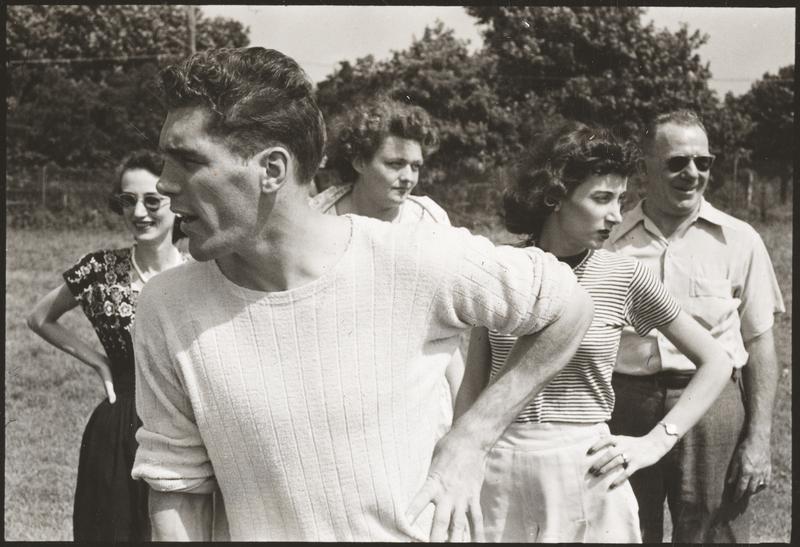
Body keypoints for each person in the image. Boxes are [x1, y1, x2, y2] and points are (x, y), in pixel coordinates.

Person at [130, 47, 594, 542]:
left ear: (272, 169)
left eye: (188, 160)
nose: (165, 183)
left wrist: (472, 438)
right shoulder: (166, 306)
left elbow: (568, 306)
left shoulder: (411, 256)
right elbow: (177, 490)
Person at [454, 121, 733, 542]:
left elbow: (717, 361)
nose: (617, 215)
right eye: (602, 198)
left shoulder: (624, 275)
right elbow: (474, 382)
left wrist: (656, 442)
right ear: (554, 197)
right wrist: (459, 458)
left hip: (585, 468)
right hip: (497, 466)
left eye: (621, 200)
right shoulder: (501, 267)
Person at [605, 109, 785, 542]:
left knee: (714, 532)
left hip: (713, 408)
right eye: (677, 162)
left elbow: (760, 343)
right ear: (645, 168)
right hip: (626, 404)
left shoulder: (740, 239)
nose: (692, 173)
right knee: (622, 528)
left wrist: (758, 437)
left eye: (703, 162)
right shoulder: (609, 240)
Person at [26, 150, 188, 541]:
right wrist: (99, 362)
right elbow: (39, 317)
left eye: (152, 201)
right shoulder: (98, 269)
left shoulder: (199, 272)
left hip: (184, 427)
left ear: (176, 203)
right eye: (128, 200)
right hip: (119, 429)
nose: (139, 212)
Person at [311, 97, 463, 407]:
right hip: (340, 386)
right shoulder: (318, 219)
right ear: (359, 162)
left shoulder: (429, 220)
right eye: (395, 164)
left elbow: (447, 332)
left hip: (419, 389)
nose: (408, 177)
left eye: (416, 166)